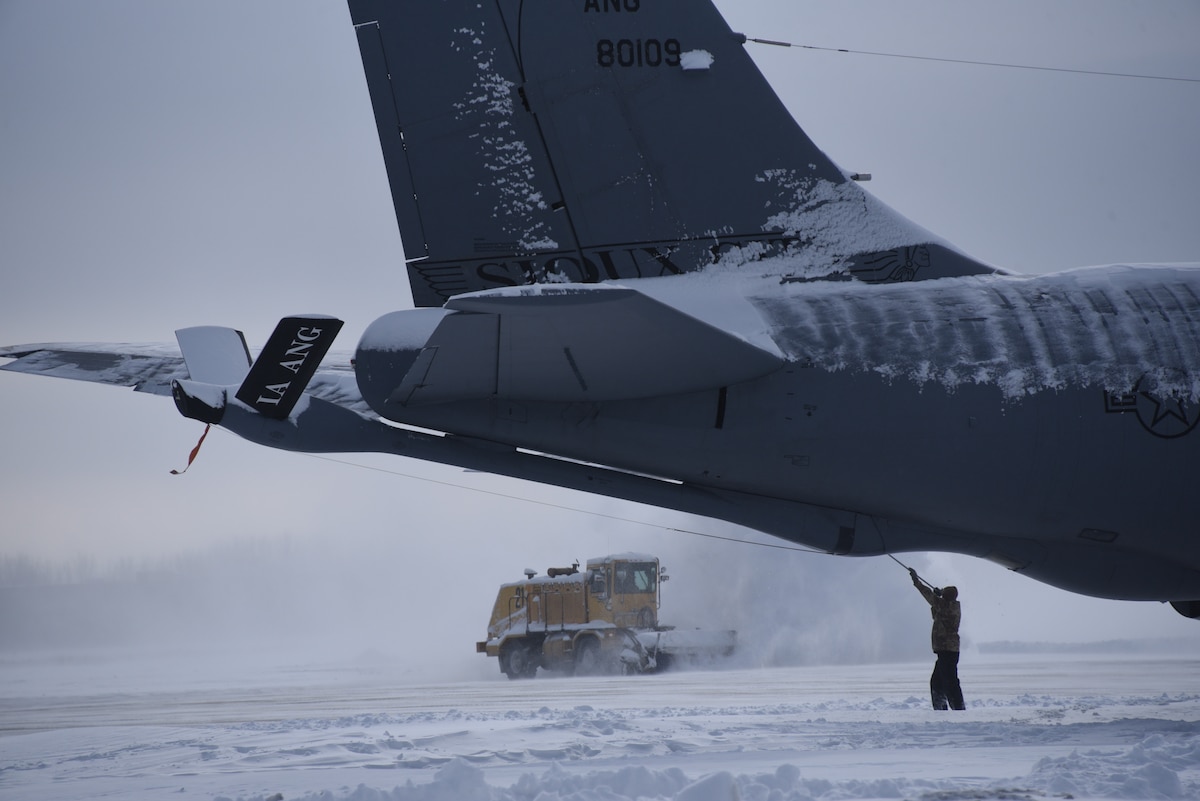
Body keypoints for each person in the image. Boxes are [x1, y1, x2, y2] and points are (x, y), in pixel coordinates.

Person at [910, 568, 965, 710]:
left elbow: (928, 595)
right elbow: (936, 613)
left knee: (950, 682)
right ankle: (941, 708)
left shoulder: (947, 606)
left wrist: (916, 581)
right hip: (946, 650)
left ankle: (958, 708)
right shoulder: (948, 606)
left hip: (948, 650)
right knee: (938, 682)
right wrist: (940, 596)